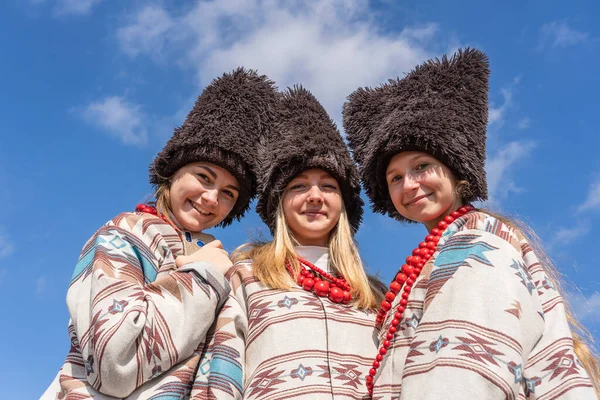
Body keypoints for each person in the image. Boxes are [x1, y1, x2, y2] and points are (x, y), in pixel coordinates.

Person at [343, 48, 600, 399]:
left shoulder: (476, 243)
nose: (410, 185)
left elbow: (462, 373)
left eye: (421, 166)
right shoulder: (440, 249)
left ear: (454, 168)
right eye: (395, 178)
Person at [41, 68, 279, 399]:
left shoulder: (222, 260)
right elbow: (116, 363)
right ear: (172, 172)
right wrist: (203, 275)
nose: (211, 198)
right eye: (204, 177)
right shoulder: (125, 233)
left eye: (229, 193)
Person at [190, 86, 385, 399]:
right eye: (298, 186)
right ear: (279, 203)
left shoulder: (377, 296)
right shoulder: (245, 276)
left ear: (343, 203)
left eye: (328, 186)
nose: (315, 196)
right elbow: (219, 374)